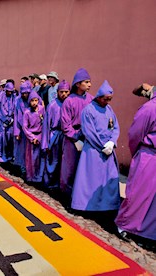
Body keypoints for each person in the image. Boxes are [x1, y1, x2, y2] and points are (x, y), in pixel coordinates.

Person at [115, 83, 156, 248]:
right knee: (138, 192)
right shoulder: (149, 108)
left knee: (153, 199)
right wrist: (137, 154)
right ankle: (125, 224)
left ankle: (147, 230)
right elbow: (135, 134)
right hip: (148, 154)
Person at [71, 80, 120, 213]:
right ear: (99, 97)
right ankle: (86, 206)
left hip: (108, 150)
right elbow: (89, 131)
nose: (108, 102)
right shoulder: (88, 110)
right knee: (90, 180)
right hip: (94, 149)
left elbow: (115, 127)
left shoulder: (109, 109)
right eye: (106, 99)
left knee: (109, 180)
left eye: (110, 99)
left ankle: (108, 205)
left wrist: (112, 142)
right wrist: (102, 146)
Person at [60, 68, 94, 206]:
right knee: (69, 169)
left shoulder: (92, 100)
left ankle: (82, 200)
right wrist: (75, 138)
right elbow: (65, 123)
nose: (89, 85)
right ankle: (68, 198)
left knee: (85, 170)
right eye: (86, 82)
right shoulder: (69, 101)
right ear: (78, 84)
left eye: (90, 82)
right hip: (71, 140)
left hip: (87, 139)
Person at [41, 80, 70, 190]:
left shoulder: (70, 104)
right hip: (54, 135)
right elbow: (46, 125)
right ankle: (49, 183)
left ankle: (61, 183)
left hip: (66, 136)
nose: (64, 94)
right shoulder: (52, 105)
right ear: (57, 92)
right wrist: (46, 142)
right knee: (53, 160)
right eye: (62, 92)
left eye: (66, 92)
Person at [23, 90, 45, 184]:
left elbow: (45, 122)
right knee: (31, 158)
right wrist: (32, 138)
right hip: (31, 137)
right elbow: (25, 127)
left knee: (40, 158)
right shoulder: (27, 112)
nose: (34, 103)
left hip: (40, 135)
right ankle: (31, 177)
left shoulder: (41, 109)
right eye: (32, 101)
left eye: (36, 100)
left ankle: (39, 177)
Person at [0, 82, 15, 164]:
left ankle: (8, 156)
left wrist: (11, 118)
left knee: (9, 139)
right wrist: (4, 119)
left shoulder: (13, 97)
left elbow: (13, 108)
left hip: (9, 121)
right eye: (8, 91)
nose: (9, 92)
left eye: (11, 91)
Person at [13, 81, 31, 177]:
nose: (24, 95)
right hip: (22, 130)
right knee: (22, 150)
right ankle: (23, 168)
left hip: (32, 131)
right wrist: (17, 132)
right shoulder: (18, 101)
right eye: (23, 93)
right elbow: (16, 116)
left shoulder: (35, 99)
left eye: (26, 93)